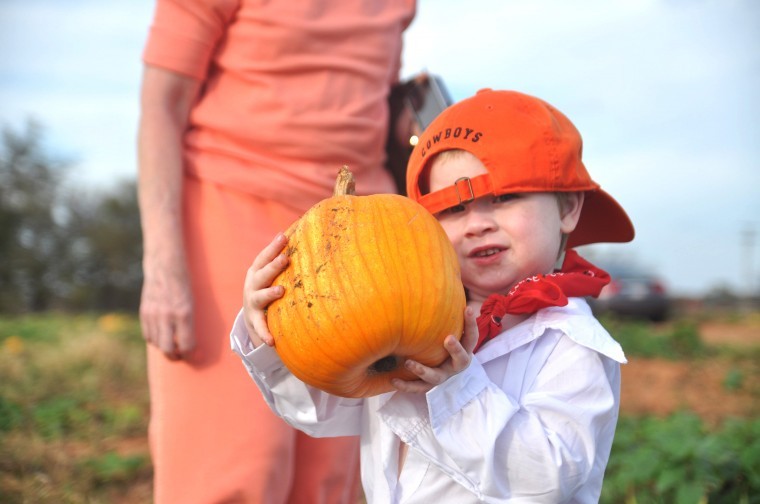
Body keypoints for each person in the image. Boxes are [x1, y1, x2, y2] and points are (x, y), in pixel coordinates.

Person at [231, 89, 636, 502]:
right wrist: (270, 330)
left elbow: (549, 480)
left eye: (503, 199)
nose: (477, 224)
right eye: (453, 210)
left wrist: (457, 392)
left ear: (567, 208)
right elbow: (319, 409)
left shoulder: (571, 344)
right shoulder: (401, 315)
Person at [137, 1, 417, 502]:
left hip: (356, 224)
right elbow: (162, 106)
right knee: (233, 461)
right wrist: (162, 268)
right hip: (229, 206)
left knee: (332, 465)